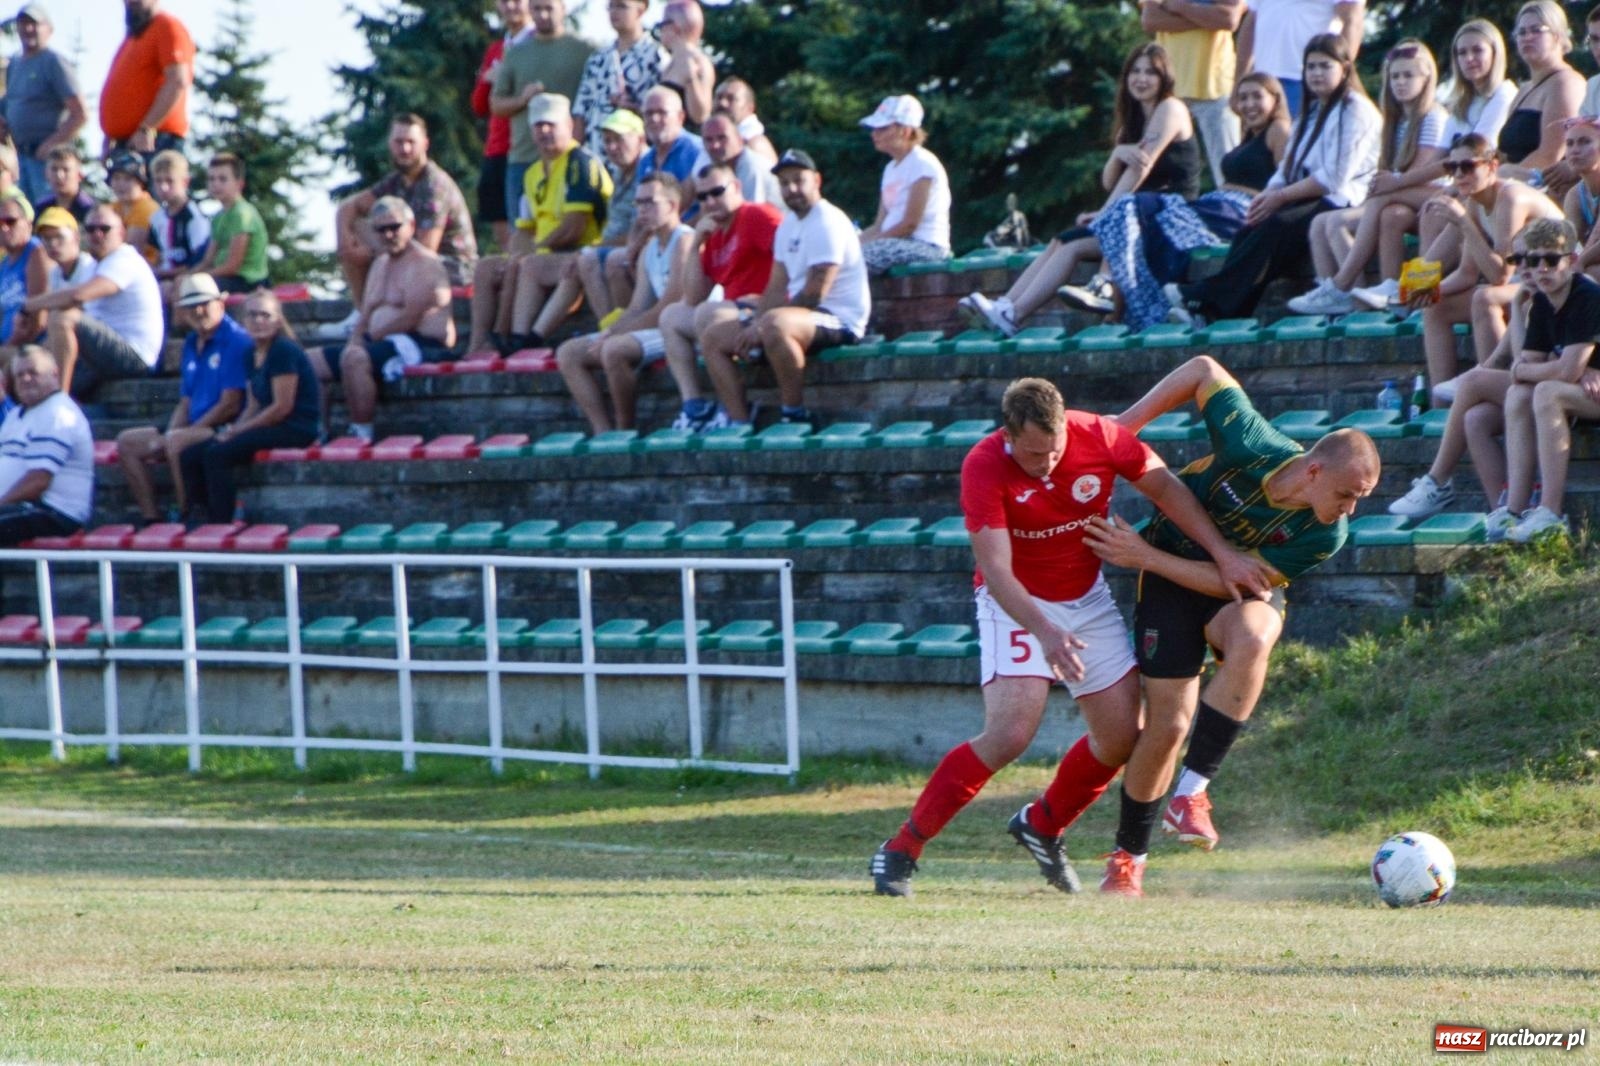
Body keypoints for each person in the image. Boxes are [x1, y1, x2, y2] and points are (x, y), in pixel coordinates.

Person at [869, 375, 1272, 898]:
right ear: (1008, 435)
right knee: (1011, 733)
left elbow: (1167, 488)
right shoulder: (984, 464)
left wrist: (1222, 552)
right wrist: (1046, 632)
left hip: (1086, 601)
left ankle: (1043, 824)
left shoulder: (1100, 435)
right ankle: (902, 848)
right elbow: (995, 570)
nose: (1048, 464)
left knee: (1124, 737)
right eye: (1034, 455)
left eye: (1054, 450)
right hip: (1017, 605)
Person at [1074, 355, 1379, 897]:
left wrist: (1142, 555)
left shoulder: (1326, 534)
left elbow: (1236, 583)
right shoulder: (1252, 446)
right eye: (1346, 494)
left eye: (1359, 499)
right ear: (1313, 471)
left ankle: (1191, 792)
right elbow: (1203, 368)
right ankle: (1128, 858)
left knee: (1257, 632)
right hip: (1168, 577)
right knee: (1167, 727)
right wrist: (1127, 425)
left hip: (1199, 582)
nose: (1350, 509)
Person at [959, 44, 1199, 336]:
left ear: (1164, 78)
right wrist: (1117, 153)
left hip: (1169, 212)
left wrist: (1105, 215)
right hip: (1133, 213)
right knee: (1064, 242)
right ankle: (1008, 309)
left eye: (1150, 72)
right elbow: (1111, 181)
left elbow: (1140, 168)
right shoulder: (1132, 124)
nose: (1141, 78)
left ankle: (1039, 305)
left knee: (1105, 222)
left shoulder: (1170, 108)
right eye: (1135, 71)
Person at [1167, 34, 1380, 327]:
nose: (1316, 73)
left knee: (1278, 226)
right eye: (1311, 67)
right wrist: (1269, 194)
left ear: (1344, 68)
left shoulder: (1355, 109)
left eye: (1324, 66)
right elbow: (1288, 167)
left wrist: (1281, 198)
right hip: (1313, 196)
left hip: (1345, 200)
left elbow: (1334, 177)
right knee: (1250, 229)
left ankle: (1205, 297)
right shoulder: (1312, 111)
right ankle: (1215, 311)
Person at [1062, 72, 1290, 328]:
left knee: (1131, 207)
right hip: (1215, 205)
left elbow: (1284, 180)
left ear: (1275, 98)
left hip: (1237, 211)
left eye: (1256, 97)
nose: (1249, 104)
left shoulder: (1278, 129)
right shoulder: (1249, 135)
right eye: (1243, 97)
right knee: (1140, 224)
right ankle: (1118, 311)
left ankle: (1108, 289)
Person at [1339, 20, 1517, 310]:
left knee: (1398, 199)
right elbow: (1442, 160)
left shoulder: (1503, 94)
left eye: (1477, 50)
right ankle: (1399, 291)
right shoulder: (1463, 101)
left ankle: (1347, 285)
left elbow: (1471, 157)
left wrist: (1397, 182)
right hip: (1458, 187)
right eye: (1461, 53)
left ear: (1496, 53)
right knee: (1393, 214)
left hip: (1483, 188)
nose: (1468, 59)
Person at [700, 149, 868, 428]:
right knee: (713, 337)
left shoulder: (828, 220)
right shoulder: (788, 225)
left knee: (776, 324)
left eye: (798, 180)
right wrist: (753, 323)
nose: (791, 189)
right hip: (800, 317)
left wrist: (762, 324)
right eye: (784, 183)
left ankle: (793, 413)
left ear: (816, 180)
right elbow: (777, 288)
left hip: (841, 318)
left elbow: (816, 293)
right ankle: (739, 422)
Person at [1287, 40, 1449, 316]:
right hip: (1406, 200)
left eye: (1408, 75)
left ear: (1427, 78)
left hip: (1432, 195)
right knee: (1378, 216)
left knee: (1351, 214)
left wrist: (1389, 183)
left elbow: (1423, 173)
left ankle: (1342, 286)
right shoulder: (1396, 120)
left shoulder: (1433, 115)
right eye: (1395, 76)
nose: (1400, 82)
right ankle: (1371, 296)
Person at [1416, 134, 1561, 390]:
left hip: (1559, 280)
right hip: (1528, 281)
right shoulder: (1475, 202)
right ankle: (1441, 400)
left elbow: (1500, 275)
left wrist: (1463, 223)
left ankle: (1489, 383)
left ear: (1492, 166)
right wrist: (1421, 291)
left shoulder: (1510, 198)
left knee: (1485, 297)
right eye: (1452, 168)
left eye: (1468, 166)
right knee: (1435, 307)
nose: (1459, 175)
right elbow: (1466, 274)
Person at [555, 173, 694, 432]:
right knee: (569, 353)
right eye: (638, 203)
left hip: (685, 330)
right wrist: (610, 331)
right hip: (660, 327)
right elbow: (637, 306)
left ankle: (624, 430)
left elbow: (671, 303)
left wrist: (615, 335)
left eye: (649, 202)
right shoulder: (650, 249)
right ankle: (602, 431)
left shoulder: (685, 241)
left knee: (614, 349)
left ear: (673, 205)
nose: (642, 210)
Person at [309, 197, 453, 442]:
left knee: (355, 358)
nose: (388, 234)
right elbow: (366, 313)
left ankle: (362, 431)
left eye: (394, 227)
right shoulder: (380, 264)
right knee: (310, 361)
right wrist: (356, 339)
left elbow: (411, 316)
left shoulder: (425, 264)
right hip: (380, 341)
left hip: (421, 342)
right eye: (381, 229)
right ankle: (318, 431)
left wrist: (365, 340)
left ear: (411, 225)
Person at [115, 273, 248, 525]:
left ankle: (188, 510)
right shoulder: (191, 342)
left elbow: (231, 402)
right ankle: (151, 516)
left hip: (227, 425)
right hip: (198, 420)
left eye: (204, 303)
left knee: (176, 441)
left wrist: (185, 432)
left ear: (220, 303)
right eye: (191, 306)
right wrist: (175, 430)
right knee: (128, 442)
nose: (198, 310)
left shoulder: (236, 340)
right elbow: (186, 400)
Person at [659, 161, 782, 432]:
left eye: (717, 192)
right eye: (702, 197)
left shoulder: (757, 215)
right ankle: (695, 408)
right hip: (730, 313)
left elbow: (792, 258)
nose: (710, 201)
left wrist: (767, 300)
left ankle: (737, 415)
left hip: (764, 309)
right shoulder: (713, 232)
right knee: (672, 317)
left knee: (707, 314)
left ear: (736, 187)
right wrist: (696, 246)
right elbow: (692, 296)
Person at [179, 290, 319, 525]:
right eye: (252, 315)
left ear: (278, 319)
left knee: (217, 454)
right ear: (244, 320)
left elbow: (281, 408)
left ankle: (220, 520)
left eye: (266, 315)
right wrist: (234, 429)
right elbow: (253, 404)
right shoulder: (250, 353)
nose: (259, 321)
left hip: (295, 426)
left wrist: (240, 431)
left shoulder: (283, 351)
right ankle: (197, 514)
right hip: (268, 423)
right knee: (192, 453)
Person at [502, 94, 614, 352]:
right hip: (550, 252)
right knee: (491, 268)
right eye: (538, 125)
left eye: (551, 124)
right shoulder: (531, 173)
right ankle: (486, 341)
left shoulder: (581, 163)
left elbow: (574, 226)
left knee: (529, 264)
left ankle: (524, 338)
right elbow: (523, 230)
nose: (544, 131)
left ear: (569, 125)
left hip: (584, 250)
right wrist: (516, 254)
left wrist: (536, 249)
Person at [335, 113, 478, 307]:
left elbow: (425, 251)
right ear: (390, 144)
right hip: (414, 258)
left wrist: (370, 254)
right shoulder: (397, 181)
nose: (405, 149)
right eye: (398, 142)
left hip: (451, 269)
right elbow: (349, 207)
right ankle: (361, 312)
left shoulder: (433, 185)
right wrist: (346, 246)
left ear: (425, 144)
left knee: (385, 250)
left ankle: (376, 313)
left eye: (411, 142)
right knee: (357, 227)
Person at [25, 203, 163, 399]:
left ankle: (59, 401)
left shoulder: (124, 259)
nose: (97, 234)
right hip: (105, 353)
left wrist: (29, 305)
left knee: (62, 318)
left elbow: (77, 297)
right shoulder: (95, 265)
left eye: (105, 229)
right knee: (29, 367)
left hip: (135, 356)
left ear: (121, 232)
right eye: (91, 229)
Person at [490, 0, 595, 223]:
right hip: (524, 158)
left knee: (570, 234)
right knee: (522, 234)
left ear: (563, 9)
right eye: (537, 8)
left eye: (549, 8)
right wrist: (522, 99)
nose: (543, 14)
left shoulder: (585, 50)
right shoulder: (515, 53)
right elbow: (496, 105)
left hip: (570, 160)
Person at [1140, 0, 1246, 188]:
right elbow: (1150, 20)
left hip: (1214, 88)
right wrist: (1208, 16)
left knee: (1230, 174)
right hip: (1169, 91)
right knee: (1156, 170)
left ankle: (1232, 216)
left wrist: (1177, 6)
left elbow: (1229, 19)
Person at [0, 344, 92, 545]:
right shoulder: (17, 414)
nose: (25, 379)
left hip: (54, 512)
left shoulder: (58, 414)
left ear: (54, 375)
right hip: (23, 506)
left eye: (33, 373)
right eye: (20, 375)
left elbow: (38, 482)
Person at [0, 3, 88, 207]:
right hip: (19, 158)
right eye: (23, 24)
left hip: (47, 162)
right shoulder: (15, 63)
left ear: (48, 29)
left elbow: (80, 113)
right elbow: (11, 103)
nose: (27, 29)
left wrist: (50, 145)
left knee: (48, 214)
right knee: (24, 216)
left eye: (34, 24)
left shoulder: (54, 62)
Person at [856, 95, 951, 276]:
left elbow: (909, 225)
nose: (874, 134)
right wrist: (849, 244)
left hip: (926, 247)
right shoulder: (890, 169)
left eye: (882, 128)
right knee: (841, 258)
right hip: (894, 242)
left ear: (905, 131)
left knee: (858, 260)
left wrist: (871, 244)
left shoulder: (923, 164)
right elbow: (879, 225)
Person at [1495, 2, 1584, 194]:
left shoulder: (1565, 83)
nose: (1527, 37)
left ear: (1558, 35)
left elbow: (1550, 155)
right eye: (1522, 32)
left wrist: (1495, 182)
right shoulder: (1524, 89)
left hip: (1544, 190)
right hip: (1509, 183)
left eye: (1536, 30)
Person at [471, 0, 535, 252]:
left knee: (529, 229)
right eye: (504, 1)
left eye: (517, 0)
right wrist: (490, 81)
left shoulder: (538, 45)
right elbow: (479, 105)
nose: (510, 6)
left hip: (528, 148)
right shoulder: (497, 49)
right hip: (497, 148)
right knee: (502, 231)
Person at [98, 0, 194, 159]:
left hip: (154, 141)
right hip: (127, 144)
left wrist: (147, 128)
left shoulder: (166, 26)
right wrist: (110, 135)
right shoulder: (132, 38)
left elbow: (177, 81)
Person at [1236, 0, 1363, 120]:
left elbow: (1352, 21)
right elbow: (1251, 23)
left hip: (1309, 83)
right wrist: (1239, 81)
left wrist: (1342, 76)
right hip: (1263, 83)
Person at [572, 0, 662, 158]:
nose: (614, 12)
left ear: (641, 10)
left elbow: (663, 113)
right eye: (611, 6)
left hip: (634, 158)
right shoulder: (598, 57)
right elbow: (581, 111)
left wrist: (634, 108)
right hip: (596, 154)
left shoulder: (656, 57)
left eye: (621, 6)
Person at [193, 153, 269, 294]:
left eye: (223, 179)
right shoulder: (218, 216)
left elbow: (232, 266)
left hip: (246, 282)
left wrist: (199, 278)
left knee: (196, 289)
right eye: (211, 179)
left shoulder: (242, 214)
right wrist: (188, 276)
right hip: (225, 278)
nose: (215, 184)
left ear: (239, 184)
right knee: (179, 286)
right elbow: (208, 260)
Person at [146, 148, 209, 303]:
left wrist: (163, 273)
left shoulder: (194, 217)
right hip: (163, 278)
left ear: (185, 182)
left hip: (188, 280)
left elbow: (199, 262)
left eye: (169, 181)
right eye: (158, 181)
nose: (163, 187)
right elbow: (155, 254)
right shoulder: (156, 217)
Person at [700, 110, 780, 206]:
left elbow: (753, 214)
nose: (715, 145)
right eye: (708, 140)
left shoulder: (752, 167)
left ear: (739, 139)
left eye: (722, 138)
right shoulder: (713, 165)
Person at [638, 84, 709, 187]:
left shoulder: (698, 151)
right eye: (649, 113)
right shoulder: (645, 161)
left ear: (680, 117)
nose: (654, 119)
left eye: (662, 112)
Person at [657, 1, 714, 127]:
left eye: (662, 25)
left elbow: (701, 115)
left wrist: (691, 79)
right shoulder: (671, 63)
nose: (660, 30)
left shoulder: (698, 62)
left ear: (675, 28)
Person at [0, 196, 46, 347]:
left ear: (28, 224)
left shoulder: (36, 251)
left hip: (28, 348)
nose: (4, 227)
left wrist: (7, 349)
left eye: (10, 221)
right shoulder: (4, 263)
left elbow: (39, 317)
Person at [105, 151, 159, 267]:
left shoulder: (147, 207)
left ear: (140, 182)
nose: (121, 184)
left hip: (147, 268)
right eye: (116, 178)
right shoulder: (112, 208)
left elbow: (132, 248)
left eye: (128, 179)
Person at [712, 77, 776, 162]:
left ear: (750, 108)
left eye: (731, 99)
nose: (722, 103)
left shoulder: (753, 145)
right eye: (719, 97)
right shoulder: (710, 143)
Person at [33, 146, 95, 224]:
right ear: (46, 174)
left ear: (79, 175)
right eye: (54, 169)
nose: (59, 175)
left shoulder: (90, 209)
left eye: (66, 170)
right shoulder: (41, 208)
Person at [35, 207, 91, 293]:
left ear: (76, 237)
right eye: (46, 238)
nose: (53, 243)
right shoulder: (55, 273)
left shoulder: (88, 267)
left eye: (59, 236)